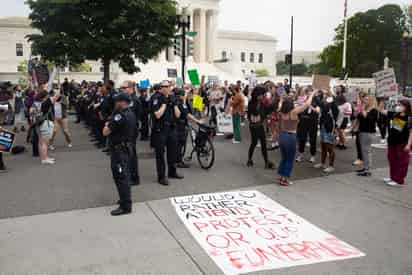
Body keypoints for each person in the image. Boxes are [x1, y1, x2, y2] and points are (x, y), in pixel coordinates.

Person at [103, 93, 134, 216]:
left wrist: (107, 124)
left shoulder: (119, 116)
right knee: (123, 176)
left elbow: (105, 132)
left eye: (118, 101)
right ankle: (124, 199)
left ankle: (125, 205)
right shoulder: (130, 113)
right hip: (125, 147)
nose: (116, 103)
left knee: (121, 177)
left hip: (119, 150)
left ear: (123, 102)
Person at [277, 91, 315, 186]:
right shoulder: (293, 112)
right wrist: (312, 94)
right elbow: (306, 105)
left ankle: (281, 177)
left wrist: (281, 99)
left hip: (282, 136)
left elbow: (280, 104)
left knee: (284, 158)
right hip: (290, 137)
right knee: (289, 159)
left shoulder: (281, 112)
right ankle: (285, 179)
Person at [150, 80, 183, 186]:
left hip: (171, 128)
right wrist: (164, 104)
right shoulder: (156, 98)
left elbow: (178, 115)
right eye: (166, 86)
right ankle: (161, 176)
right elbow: (157, 115)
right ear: (161, 87)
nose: (168, 88)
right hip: (160, 129)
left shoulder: (172, 98)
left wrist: (174, 105)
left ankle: (172, 172)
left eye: (169, 86)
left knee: (172, 152)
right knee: (160, 154)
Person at [379, 100, 412, 186]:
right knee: (392, 160)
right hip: (392, 141)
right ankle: (393, 177)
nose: (398, 107)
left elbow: (411, 132)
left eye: (400, 105)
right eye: (398, 105)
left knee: (402, 161)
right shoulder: (395, 114)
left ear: (406, 106)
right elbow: (382, 111)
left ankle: (399, 180)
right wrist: (382, 103)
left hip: (402, 142)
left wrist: (409, 144)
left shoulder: (409, 117)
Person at [246, 86, 274, 169]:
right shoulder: (252, 102)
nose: (263, 96)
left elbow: (266, 110)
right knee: (254, 143)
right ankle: (249, 159)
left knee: (263, 144)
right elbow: (255, 112)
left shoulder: (261, 102)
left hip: (260, 125)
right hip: (254, 126)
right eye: (262, 94)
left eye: (263, 94)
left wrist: (275, 103)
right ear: (257, 95)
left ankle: (266, 162)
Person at [174, 88, 203, 168]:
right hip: (181, 126)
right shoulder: (180, 103)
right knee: (180, 144)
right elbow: (187, 114)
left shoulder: (174, 102)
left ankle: (176, 160)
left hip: (176, 125)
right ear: (180, 96)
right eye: (183, 95)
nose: (185, 96)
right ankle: (178, 161)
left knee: (178, 144)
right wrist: (197, 121)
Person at [314, 90, 339, 174]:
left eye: (326, 95)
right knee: (323, 145)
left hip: (329, 127)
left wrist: (315, 95)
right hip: (323, 126)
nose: (324, 97)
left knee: (330, 147)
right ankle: (322, 163)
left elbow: (322, 105)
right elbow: (320, 105)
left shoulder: (333, 104)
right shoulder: (326, 103)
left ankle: (331, 166)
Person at [121, 81, 141, 186]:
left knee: (131, 154)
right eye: (122, 87)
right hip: (126, 130)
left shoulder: (134, 100)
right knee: (127, 154)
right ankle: (129, 175)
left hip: (131, 130)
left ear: (130, 88)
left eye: (124, 88)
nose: (122, 89)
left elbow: (137, 115)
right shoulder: (125, 99)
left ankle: (134, 178)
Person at [31, 90, 56, 165]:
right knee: (45, 143)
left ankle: (44, 157)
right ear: (46, 96)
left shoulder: (35, 103)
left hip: (37, 123)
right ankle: (44, 159)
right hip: (45, 122)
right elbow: (57, 96)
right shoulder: (46, 102)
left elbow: (31, 112)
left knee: (40, 142)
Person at [356, 94, 378, 177]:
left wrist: (363, 108)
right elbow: (358, 116)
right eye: (364, 99)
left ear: (371, 101)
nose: (364, 101)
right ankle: (365, 167)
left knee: (366, 151)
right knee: (363, 151)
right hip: (362, 131)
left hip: (368, 133)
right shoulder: (365, 109)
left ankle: (367, 170)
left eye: (367, 99)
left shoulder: (374, 110)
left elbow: (367, 118)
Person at [296, 88, 320, 163]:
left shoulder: (317, 101)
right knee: (302, 138)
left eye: (311, 93)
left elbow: (318, 111)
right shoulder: (303, 100)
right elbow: (299, 110)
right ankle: (300, 155)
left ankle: (313, 156)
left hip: (313, 121)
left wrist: (310, 106)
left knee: (312, 139)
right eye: (308, 93)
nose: (309, 94)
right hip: (303, 121)